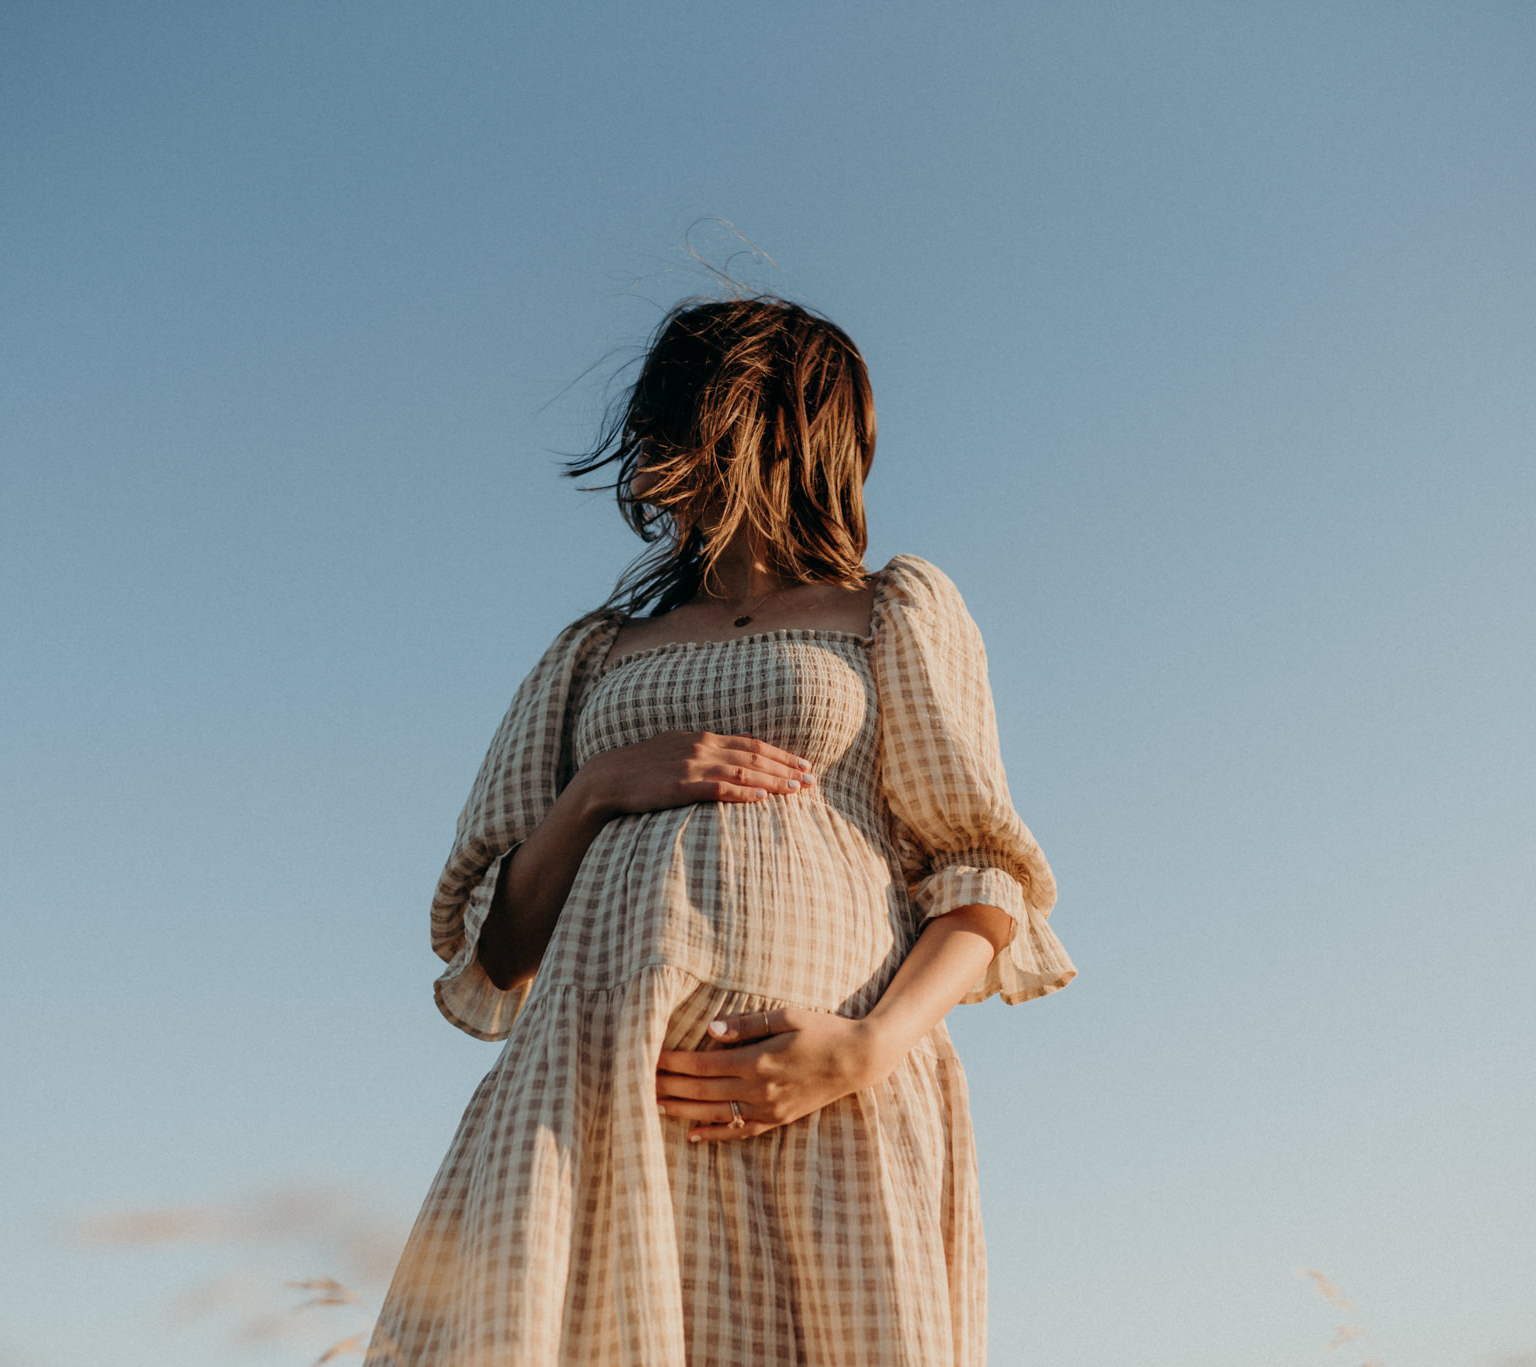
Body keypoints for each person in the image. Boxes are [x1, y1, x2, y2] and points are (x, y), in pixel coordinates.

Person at [365, 295, 1075, 1367]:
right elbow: (493, 945)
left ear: (774, 422)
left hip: (825, 1094)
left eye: (681, 412)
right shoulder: (593, 654)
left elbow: (979, 875)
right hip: (590, 1098)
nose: (650, 447)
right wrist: (600, 782)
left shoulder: (892, 613)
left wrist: (865, 1048)